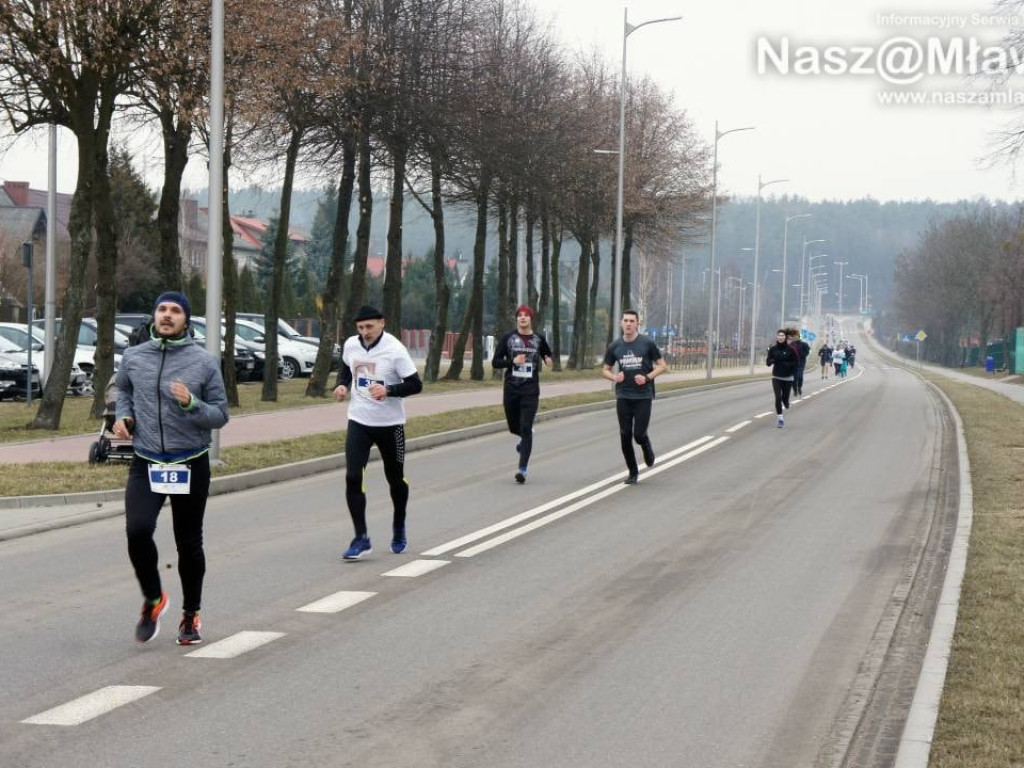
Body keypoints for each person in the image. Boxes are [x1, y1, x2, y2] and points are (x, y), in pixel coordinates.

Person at [113, 292, 229, 645]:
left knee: (188, 544)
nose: (167, 315)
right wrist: (124, 418)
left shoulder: (203, 363)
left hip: (190, 461)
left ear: (186, 320)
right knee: (137, 531)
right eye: (162, 309)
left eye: (175, 311)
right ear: (154, 315)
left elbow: (220, 415)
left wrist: (192, 403)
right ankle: (153, 598)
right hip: (147, 460)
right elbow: (124, 391)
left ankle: (191, 615)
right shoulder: (133, 357)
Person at [334, 305, 423, 559]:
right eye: (361, 328)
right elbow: (346, 369)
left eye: (370, 326)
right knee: (353, 477)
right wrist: (342, 385)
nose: (365, 332)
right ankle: (361, 538)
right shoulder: (351, 344)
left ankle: (398, 526)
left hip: (390, 425)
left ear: (382, 323)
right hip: (359, 422)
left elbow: (416, 384)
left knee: (395, 479)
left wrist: (390, 391)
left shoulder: (395, 350)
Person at [601, 309, 668, 485]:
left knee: (638, 434)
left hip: (643, 396)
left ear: (637, 323)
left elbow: (662, 366)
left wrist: (647, 377)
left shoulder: (647, 343)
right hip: (623, 395)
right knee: (625, 434)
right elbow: (605, 369)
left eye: (632, 321)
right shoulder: (615, 346)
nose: (629, 324)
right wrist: (615, 377)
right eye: (626, 321)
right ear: (621, 323)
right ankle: (632, 471)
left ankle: (646, 446)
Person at [491, 305, 553, 484]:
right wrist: (513, 362)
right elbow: (496, 362)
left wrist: (548, 360)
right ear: (517, 319)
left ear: (531, 319)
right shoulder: (509, 338)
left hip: (530, 390)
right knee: (514, 427)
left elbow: (547, 355)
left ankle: (522, 470)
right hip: (511, 389)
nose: (523, 318)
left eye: (526, 315)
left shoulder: (538, 339)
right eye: (520, 315)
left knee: (525, 428)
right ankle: (526, 438)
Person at [766, 329, 799, 428]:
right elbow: (767, 362)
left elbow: (796, 362)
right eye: (779, 335)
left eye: (782, 335)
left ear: (785, 337)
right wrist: (771, 361)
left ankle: (786, 402)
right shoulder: (773, 349)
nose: (780, 337)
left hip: (788, 377)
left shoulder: (791, 349)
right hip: (776, 376)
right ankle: (780, 419)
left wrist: (787, 364)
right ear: (777, 337)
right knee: (778, 397)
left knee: (785, 399)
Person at [787, 329, 811, 396]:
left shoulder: (804, 344)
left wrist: (803, 355)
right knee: (794, 377)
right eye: (794, 336)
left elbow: (807, 351)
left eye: (796, 336)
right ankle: (795, 390)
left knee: (800, 376)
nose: (795, 337)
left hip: (801, 362)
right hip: (793, 363)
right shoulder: (790, 345)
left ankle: (799, 387)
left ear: (799, 336)